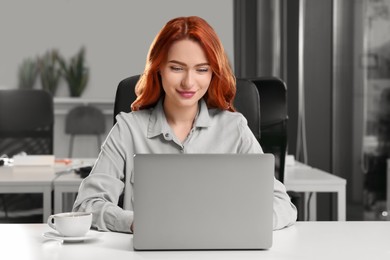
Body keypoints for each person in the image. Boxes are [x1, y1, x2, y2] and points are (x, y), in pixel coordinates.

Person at [73, 16, 297, 233]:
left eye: (201, 69)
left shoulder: (234, 128)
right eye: (177, 68)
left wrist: (237, 223)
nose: (189, 82)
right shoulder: (128, 129)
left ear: (213, 73)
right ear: (158, 68)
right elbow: (87, 205)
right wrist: (133, 222)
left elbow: (281, 204)